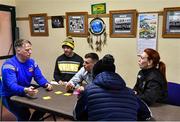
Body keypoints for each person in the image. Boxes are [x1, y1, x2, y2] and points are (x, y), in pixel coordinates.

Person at [74, 54, 151, 121]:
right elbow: (147, 114)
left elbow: (77, 116)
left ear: (95, 74)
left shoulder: (88, 91)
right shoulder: (131, 93)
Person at [0, 39, 53, 121]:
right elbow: (11, 85)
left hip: (25, 91)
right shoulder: (9, 65)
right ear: (18, 50)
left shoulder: (32, 62)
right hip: (9, 95)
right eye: (27, 50)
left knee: (44, 107)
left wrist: (46, 84)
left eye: (31, 49)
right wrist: (25, 90)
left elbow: (39, 77)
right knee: (24, 114)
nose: (30, 52)